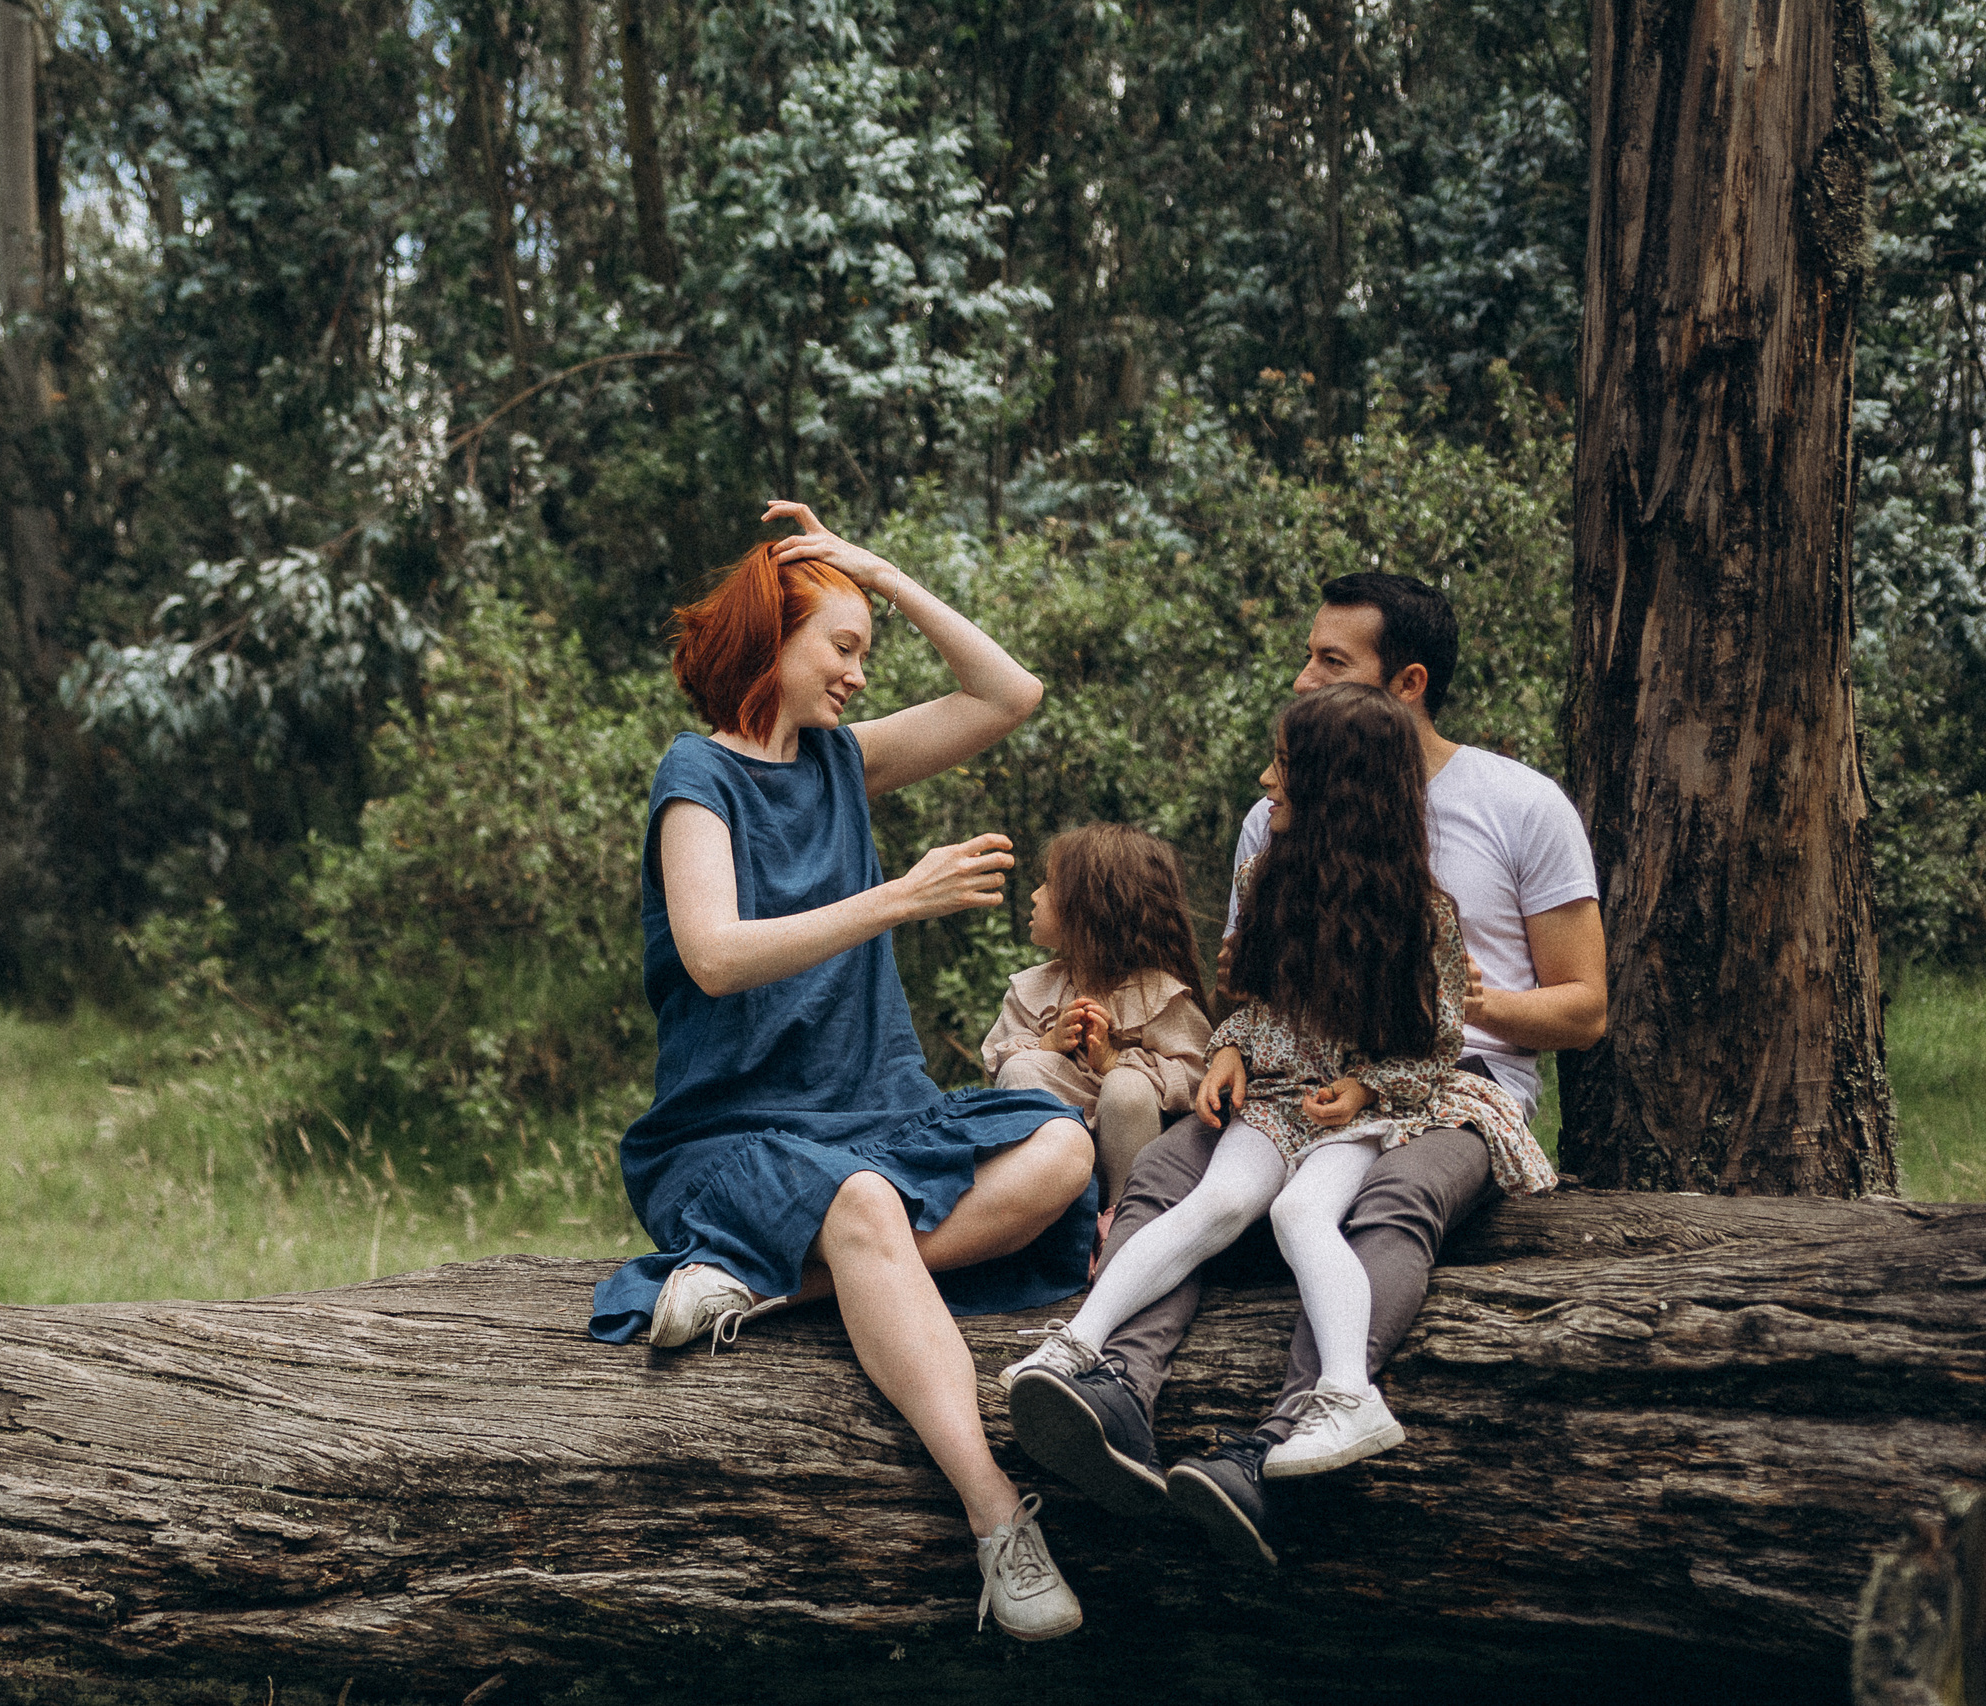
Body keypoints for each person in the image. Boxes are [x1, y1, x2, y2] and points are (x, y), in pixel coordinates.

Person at [1009, 571, 1605, 1569]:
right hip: (1296, 1075)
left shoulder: (1519, 806)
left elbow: (1584, 1008)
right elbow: (1259, 990)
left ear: (1401, 682)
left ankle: (1289, 1435)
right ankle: (1109, 1387)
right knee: (1166, 1174)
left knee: (1382, 1203)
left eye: (1330, 662)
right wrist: (1236, 1043)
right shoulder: (1272, 826)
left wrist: (1428, 1010)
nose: (1300, 676)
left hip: (1451, 1083)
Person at [587, 501, 1100, 1642]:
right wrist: (896, 896)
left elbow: (1008, 694)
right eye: (844, 645)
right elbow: (715, 954)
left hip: (875, 1115)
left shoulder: (838, 761)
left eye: (867, 650)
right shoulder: (695, 779)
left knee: (1062, 1147)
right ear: (771, 638)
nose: (860, 676)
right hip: (730, 1137)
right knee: (861, 1201)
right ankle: (995, 1515)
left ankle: (766, 1288)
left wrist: (877, 571)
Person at [979, 824, 1212, 1211]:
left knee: (1126, 1088)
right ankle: (1044, 1216)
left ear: (1090, 907)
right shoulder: (1035, 989)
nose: (1034, 896)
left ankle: (1123, 1217)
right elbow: (998, 1063)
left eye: (1048, 885)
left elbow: (1200, 1075)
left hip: (1141, 1168)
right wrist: (1047, 1044)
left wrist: (1113, 1062)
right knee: (1023, 1068)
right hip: (1056, 1169)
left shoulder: (1156, 993)